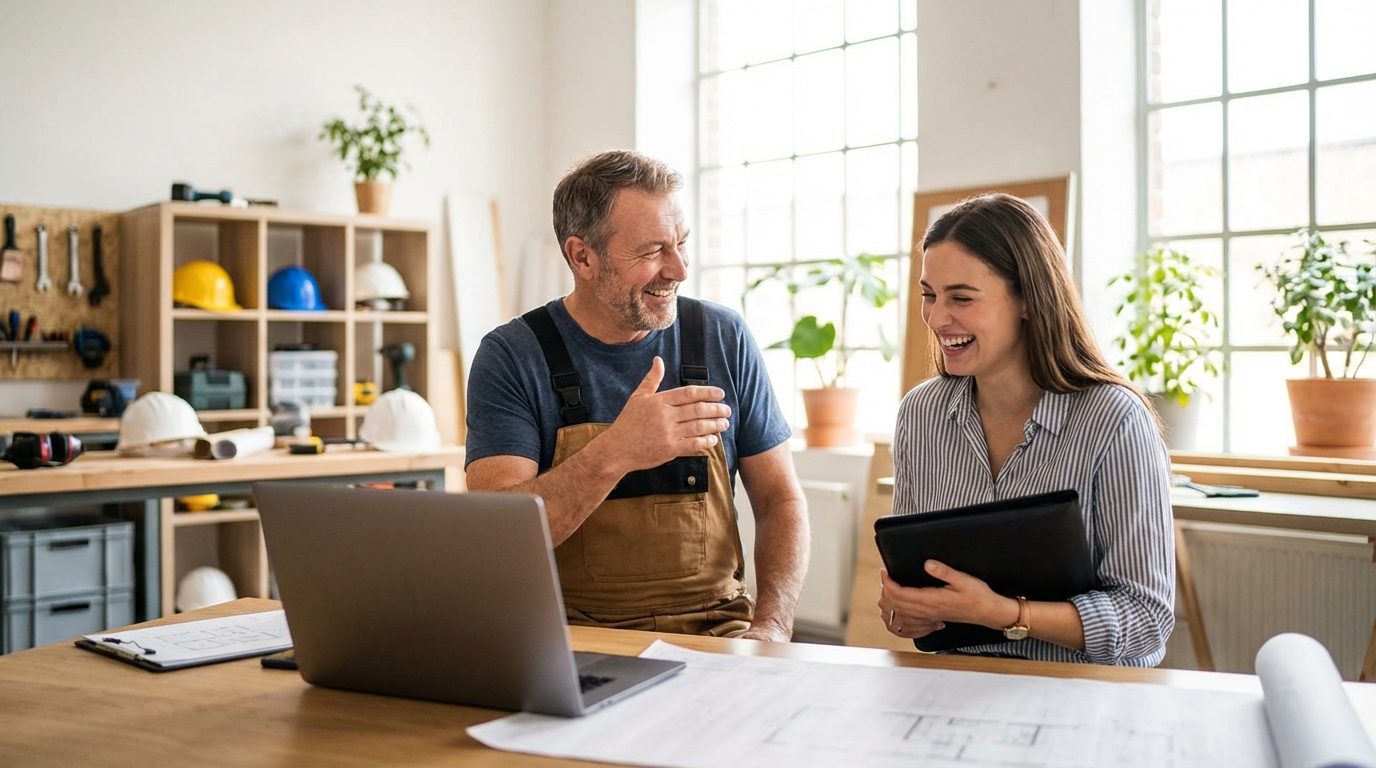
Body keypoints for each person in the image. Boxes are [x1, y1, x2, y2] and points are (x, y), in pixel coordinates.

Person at [464, 150, 809, 641]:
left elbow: (779, 500)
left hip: (717, 632)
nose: (678, 270)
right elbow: (496, 538)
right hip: (570, 636)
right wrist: (618, 451)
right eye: (652, 252)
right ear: (582, 256)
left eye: (681, 244)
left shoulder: (722, 336)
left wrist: (772, 626)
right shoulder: (512, 356)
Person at [877, 193, 1175, 667]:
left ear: (1028, 301)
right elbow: (910, 598)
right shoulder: (920, 415)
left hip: (1083, 692)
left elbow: (1146, 621)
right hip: (956, 681)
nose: (936, 318)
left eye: (961, 297)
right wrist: (907, 612)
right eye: (929, 295)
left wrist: (1004, 614)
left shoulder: (1115, 420)